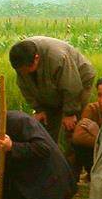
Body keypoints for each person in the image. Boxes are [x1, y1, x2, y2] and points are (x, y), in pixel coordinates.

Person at [8, 36, 96, 175]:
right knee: (47, 128)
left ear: (37, 58)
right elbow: (25, 86)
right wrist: (39, 109)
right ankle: (50, 169)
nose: (24, 72)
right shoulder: (22, 61)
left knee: (72, 129)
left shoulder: (57, 57)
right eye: (21, 70)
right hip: (50, 88)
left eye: (27, 69)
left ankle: (71, 173)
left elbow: (72, 86)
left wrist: (69, 113)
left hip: (79, 80)